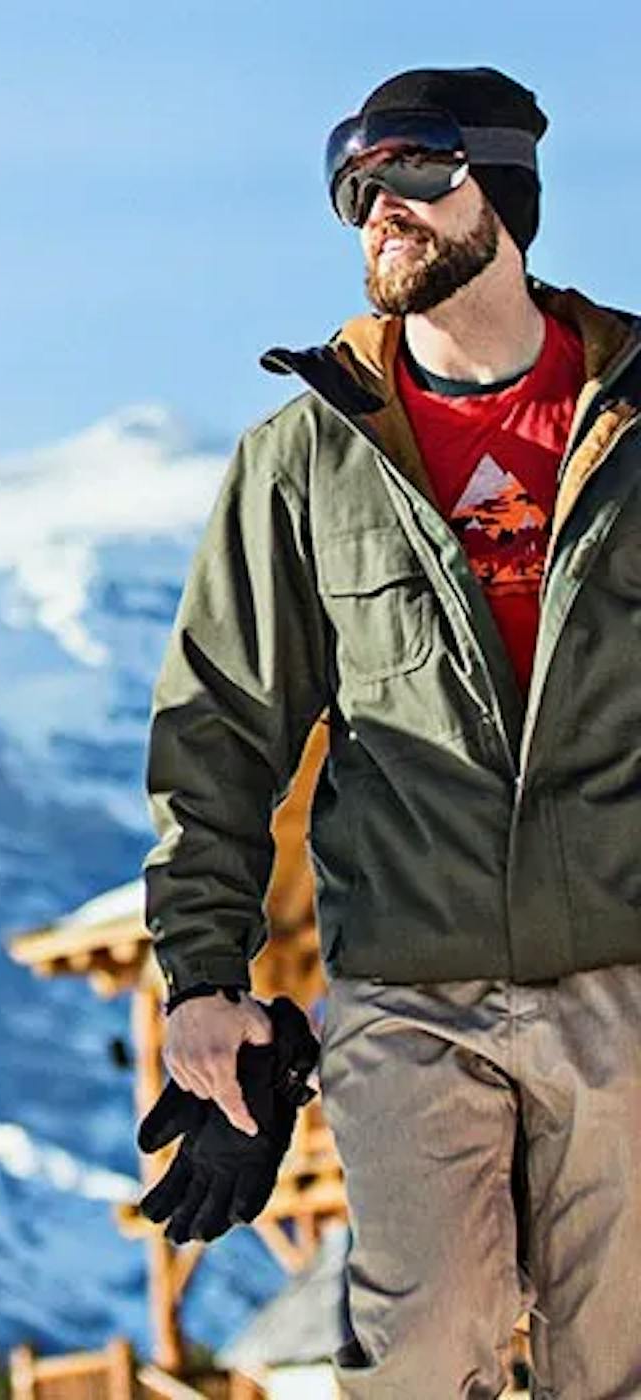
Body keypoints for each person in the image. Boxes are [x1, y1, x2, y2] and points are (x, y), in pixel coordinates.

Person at [145, 67, 641, 1397]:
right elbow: (218, 731)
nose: (380, 208)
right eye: (355, 186)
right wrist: (203, 978)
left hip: (629, 983)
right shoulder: (305, 460)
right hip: (407, 993)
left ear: (509, 196)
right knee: (419, 1362)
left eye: (416, 176)